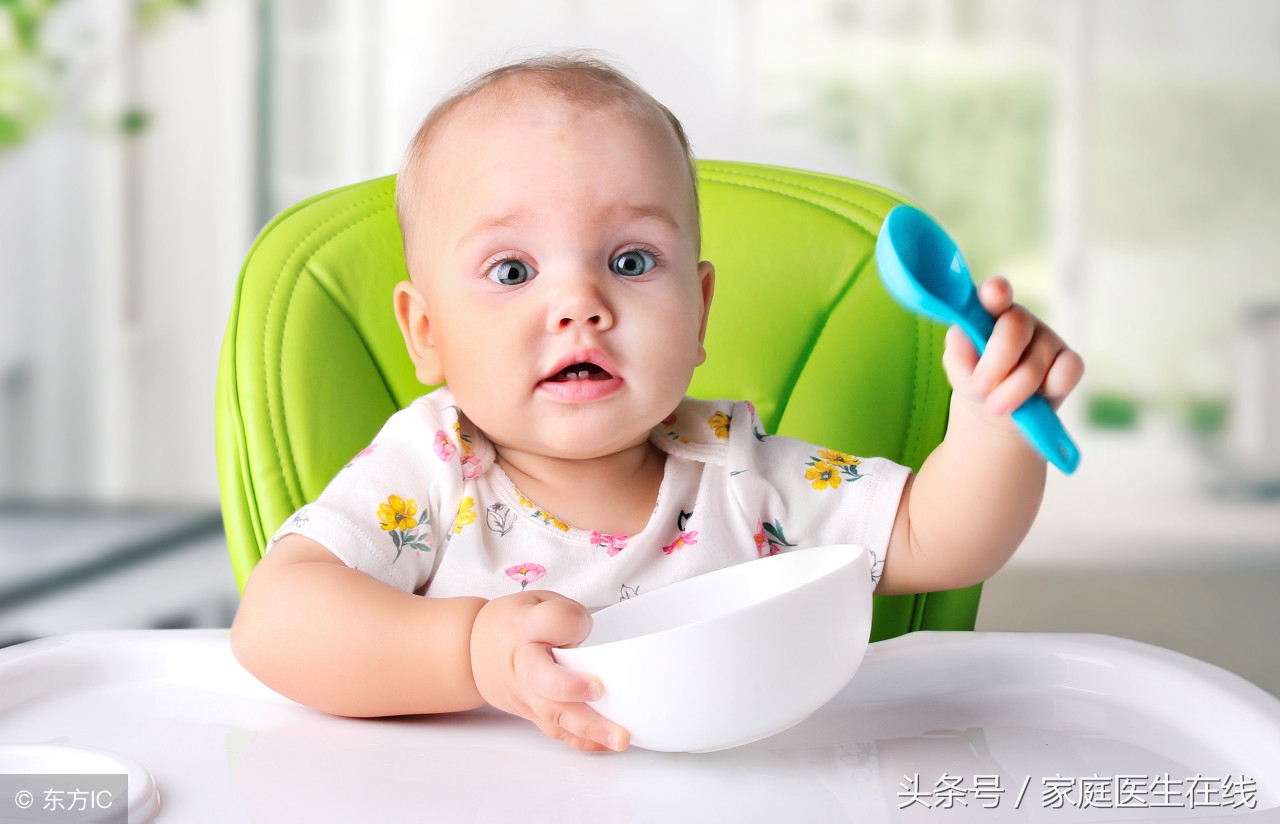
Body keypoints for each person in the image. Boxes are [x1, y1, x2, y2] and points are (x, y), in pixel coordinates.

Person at [230, 52, 1084, 754]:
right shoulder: (428, 470)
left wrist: (991, 421)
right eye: (513, 271)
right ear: (427, 333)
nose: (581, 304)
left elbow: (936, 541)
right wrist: (468, 652)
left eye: (632, 261)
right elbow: (275, 622)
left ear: (701, 310)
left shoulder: (737, 470)